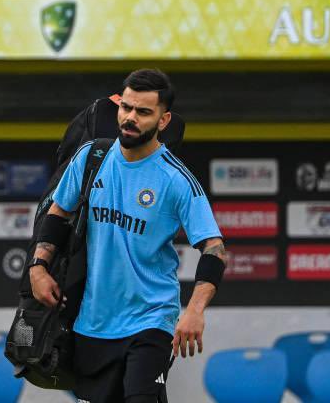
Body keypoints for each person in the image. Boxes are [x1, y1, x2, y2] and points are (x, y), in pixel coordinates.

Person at [27, 68, 226, 403]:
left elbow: (214, 249)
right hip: (92, 323)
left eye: (143, 112)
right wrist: (38, 267)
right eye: (127, 108)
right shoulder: (91, 157)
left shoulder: (176, 179)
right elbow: (58, 212)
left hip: (151, 321)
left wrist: (194, 310)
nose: (131, 118)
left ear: (163, 120)